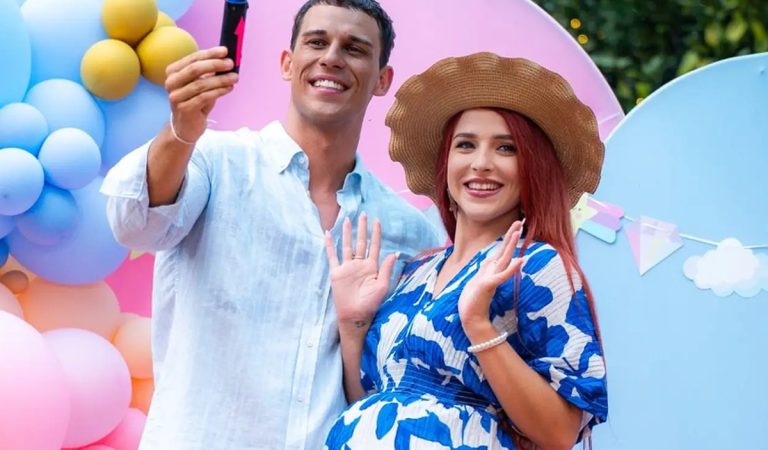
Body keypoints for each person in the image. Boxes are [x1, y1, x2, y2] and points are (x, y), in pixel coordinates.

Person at [100, 1, 441, 449]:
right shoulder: (214, 161)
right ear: (287, 63)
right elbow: (135, 224)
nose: (331, 57)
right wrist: (181, 132)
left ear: (382, 79)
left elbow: (395, 381)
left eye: (354, 48)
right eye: (316, 42)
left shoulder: (410, 233)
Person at [323, 52, 609, 449]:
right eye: (466, 145)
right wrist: (353, 324)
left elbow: (560, 434)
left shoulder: (536, 266)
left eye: (506, 148)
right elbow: (374, 401)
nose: (481, 163)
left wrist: (478, 324)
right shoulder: (417, 272)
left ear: (533, 168)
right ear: (446, 163)